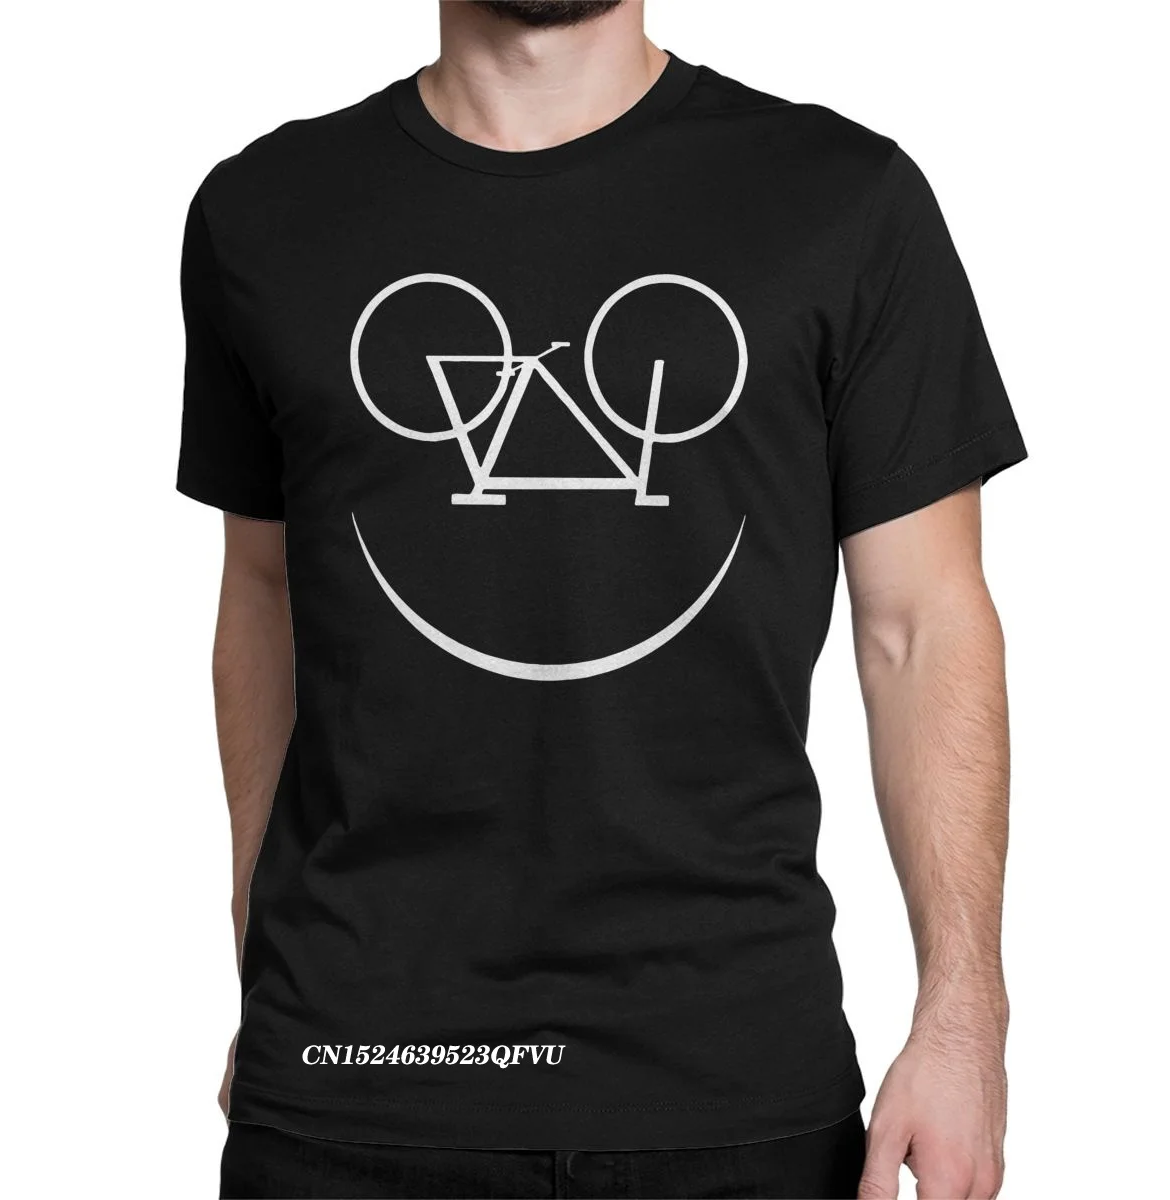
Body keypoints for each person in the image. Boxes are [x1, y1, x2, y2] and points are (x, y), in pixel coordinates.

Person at [177, 2, 1026, 1196]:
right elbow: (263, 599)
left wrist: (965, 1021)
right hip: (356, 1078)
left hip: (733, 1080)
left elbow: (921, 624)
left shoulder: (842, 199)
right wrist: (266, 977)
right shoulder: (266, 211)